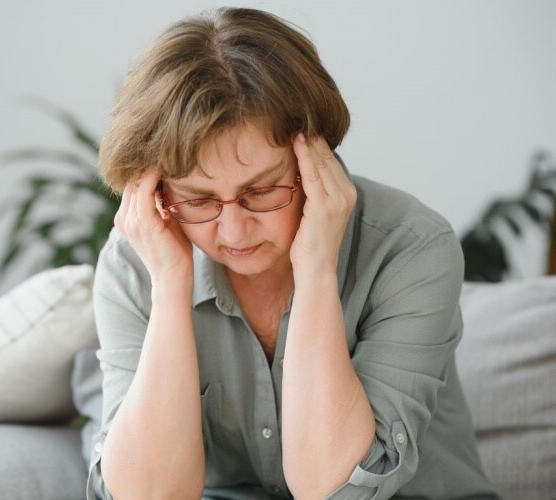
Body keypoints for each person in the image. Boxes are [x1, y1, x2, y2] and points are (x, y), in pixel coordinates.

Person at [86, 7, 500, 500]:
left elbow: (334, 490)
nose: (233, 230)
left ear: (315, 160)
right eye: (198, 200)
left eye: (262, 190)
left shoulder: (410, 249)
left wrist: (317, 272)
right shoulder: (136, 263)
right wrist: (171, 286)